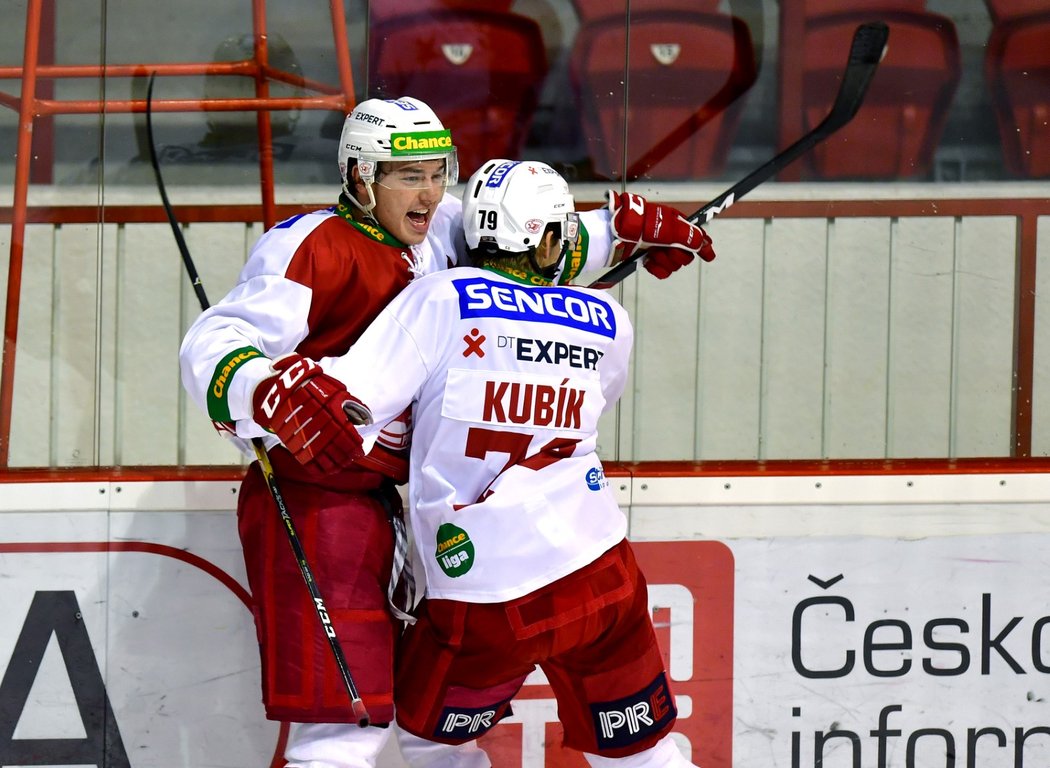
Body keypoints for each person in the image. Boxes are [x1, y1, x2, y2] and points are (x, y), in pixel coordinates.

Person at [179, 93, 711, 768]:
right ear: (360, 178)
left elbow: (525, 249)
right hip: (321, 498)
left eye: (439, 171)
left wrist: (618, 230)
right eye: (410, 176)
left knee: (424, 726)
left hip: (405, 512)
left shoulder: (441, 231)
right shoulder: (307, 249)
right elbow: (216, 340)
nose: (429, 192)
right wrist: (268, 389)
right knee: (347, 726)